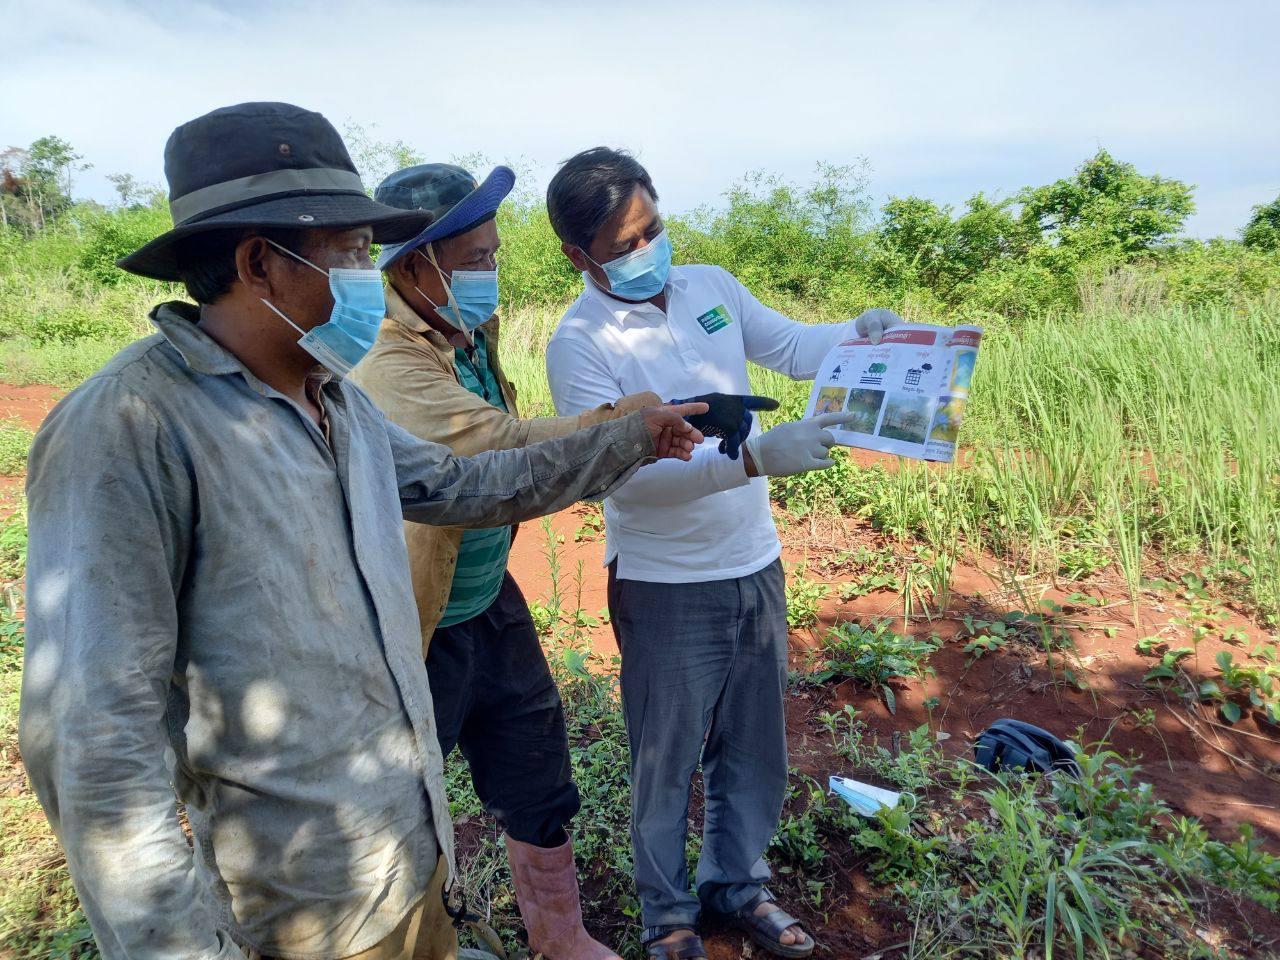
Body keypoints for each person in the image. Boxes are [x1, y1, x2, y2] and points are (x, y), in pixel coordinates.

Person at [18, 105, 707, 960]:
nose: (364, 275)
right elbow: (94, 738)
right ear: (259, 262)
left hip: (408, 858)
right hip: (301, 905)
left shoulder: (337, 400)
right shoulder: (130, 428)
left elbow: (461, 483)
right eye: (349, 252)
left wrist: (630, 437)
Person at [544, 147, 902, 960]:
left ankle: (737, 887)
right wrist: (750, 459)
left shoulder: (711, 285)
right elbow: (624, 483)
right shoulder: (580, 342)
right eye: (623, 244)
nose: (647, 252)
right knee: (665, 763)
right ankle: (668, 918)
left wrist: (859, 334)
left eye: (653, 229)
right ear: (578, 255)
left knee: (753, 749)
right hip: (666, 582)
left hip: (754, 562)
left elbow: (795, 347)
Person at [350, 162, 669, 960]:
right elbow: (494, 450)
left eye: (494, 255)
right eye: (477, 260)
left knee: (537, 773)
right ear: (416, 263)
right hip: (418, 622)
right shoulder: (389, 357)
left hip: (487, 595)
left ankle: (560, 940)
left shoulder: (464, 330)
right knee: (403, 808)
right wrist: (630, 422)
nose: (491, 274)